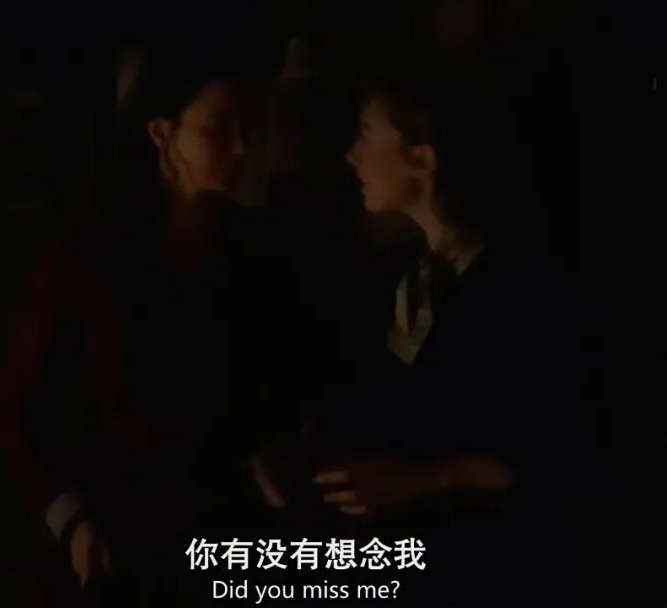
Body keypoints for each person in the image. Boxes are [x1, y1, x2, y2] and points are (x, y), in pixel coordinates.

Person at [255, 63, 595, 606]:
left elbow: (551, 452)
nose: (352, 156)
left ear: (423, 159)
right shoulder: (416, 277)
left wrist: (415, 480)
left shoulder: (519, 287)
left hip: (485, 564)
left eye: (367, 136)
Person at [0, 42, 294, 605]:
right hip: (119, 533)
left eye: (246, 128)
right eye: (219, 129)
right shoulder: (88, 257)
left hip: (226, 531)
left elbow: (272, 387)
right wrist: (70, 518)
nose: (240, 147)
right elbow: (19, 406)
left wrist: (274, 459)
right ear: (162, 133)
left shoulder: (252, 250)